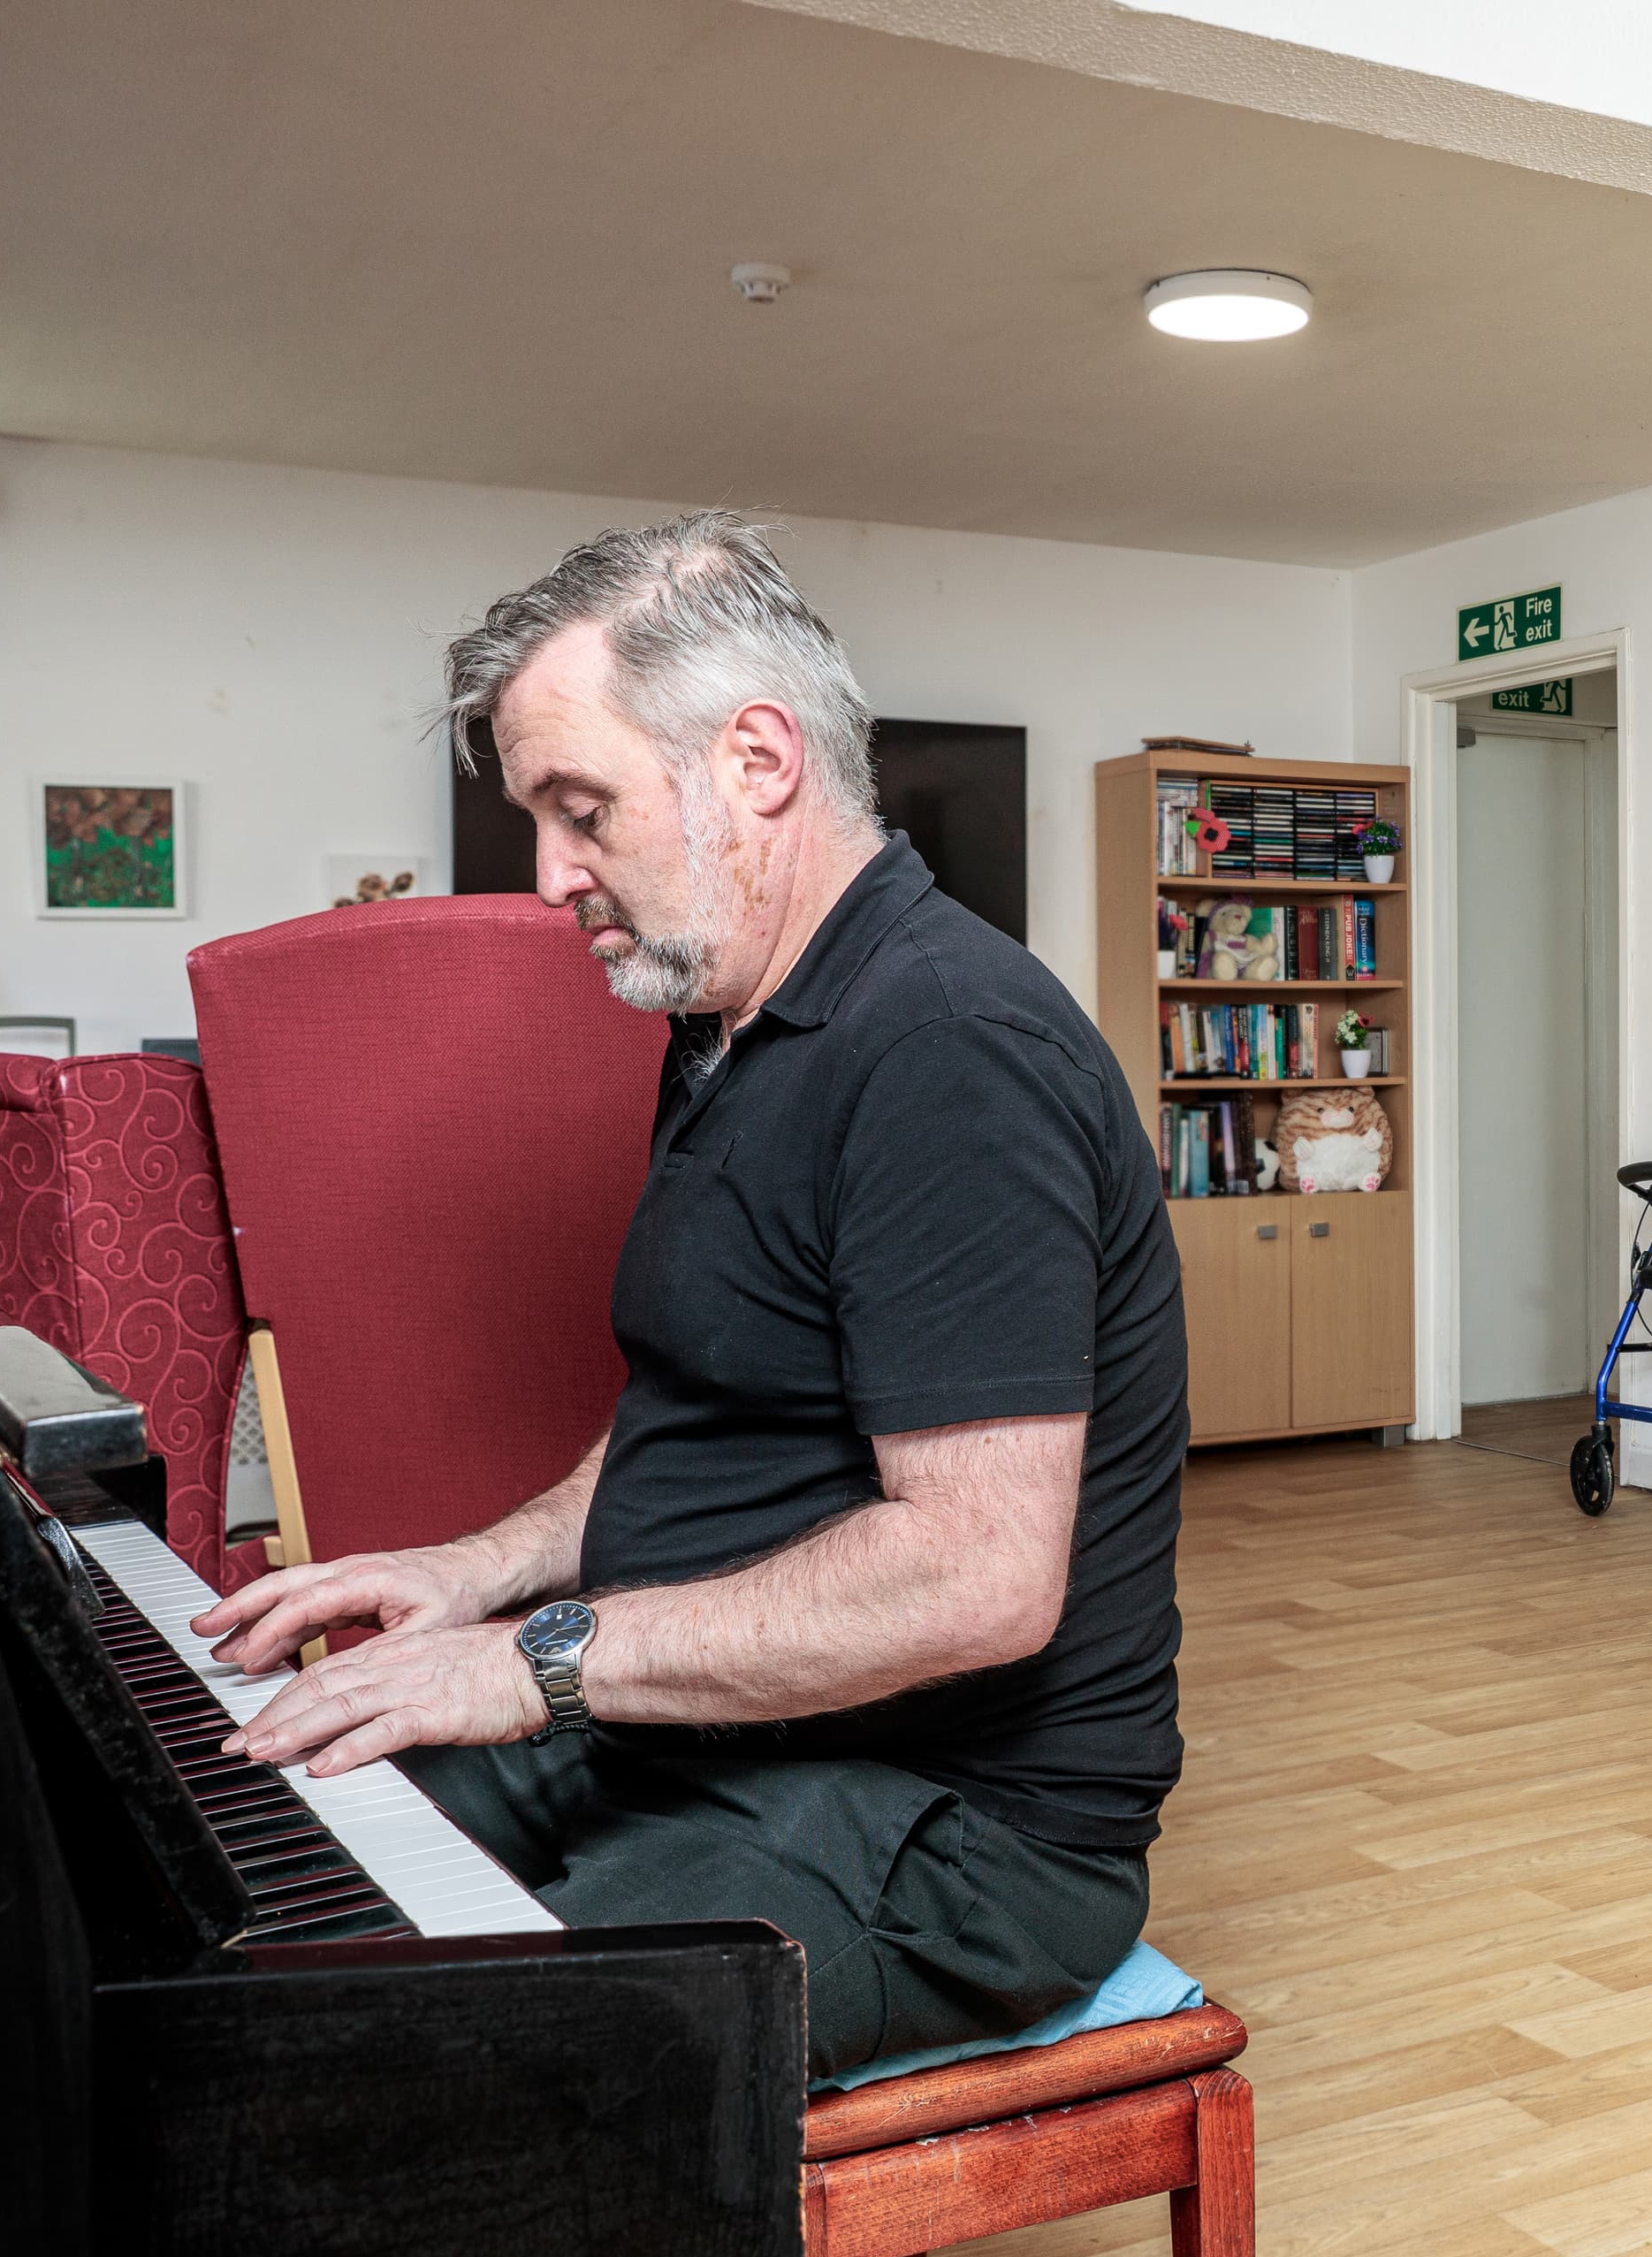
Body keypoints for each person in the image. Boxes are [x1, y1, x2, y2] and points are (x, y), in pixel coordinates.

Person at [187, 514, 1188, 2078]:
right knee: (255, 1854)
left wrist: (534, 1660)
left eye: (580, 810)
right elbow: (699, 1408)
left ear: (758, 762)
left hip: (947, 1824)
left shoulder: (948, 1049)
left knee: (428, 2069)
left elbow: (980, 1575)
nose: (549, 876)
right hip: (701, 1719)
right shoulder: (725, 1020)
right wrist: (475, 1573)